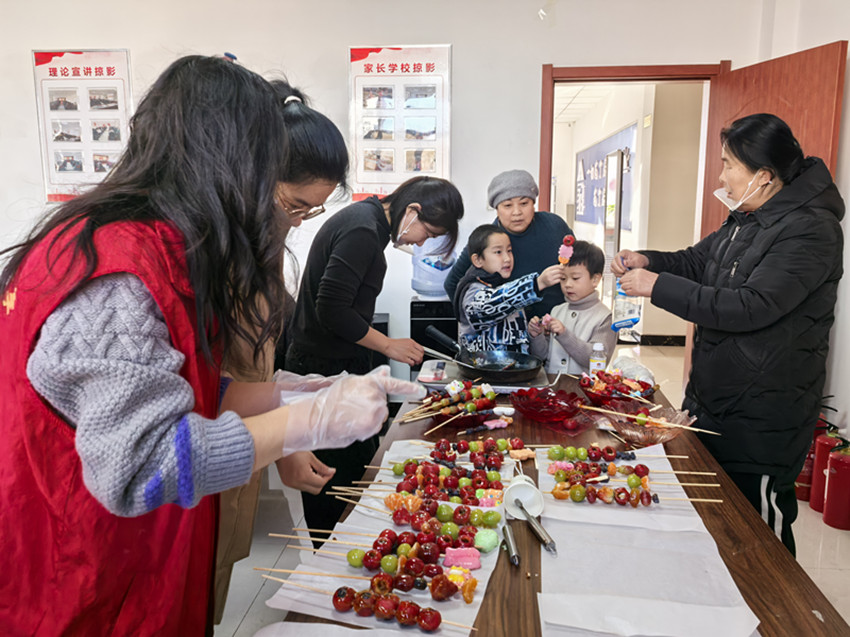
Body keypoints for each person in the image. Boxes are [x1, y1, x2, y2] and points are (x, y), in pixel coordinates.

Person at [0, 55, 422, 636]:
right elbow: (140, 464)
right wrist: (304, 423)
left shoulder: (152, 244)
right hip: (86, 565)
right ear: (225, 162)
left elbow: (168, 386)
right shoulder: (121, 268)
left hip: (131, 553)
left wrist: (276, 394)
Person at [612, 113, 844, 555]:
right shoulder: (748, 218)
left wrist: (656, 287)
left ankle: (780, 618)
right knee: (718, 521)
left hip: (764, 410)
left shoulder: (811, 230)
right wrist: (649, 260)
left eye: (728, 165)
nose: (722, 176)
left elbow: (752, 306)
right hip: (718, 396)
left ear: (764, 175)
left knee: (759, 534)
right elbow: (699, 262)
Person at [214, 78, 351, 624]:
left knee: (216, 582)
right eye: (293, 205)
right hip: (201, 452)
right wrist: (289, 425)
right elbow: (209, 386)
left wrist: (288, 435)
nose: (296, 222)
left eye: (308, 213)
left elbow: (259, 364)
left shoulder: (263, 245)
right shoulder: (208, 246)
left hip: (239, 449)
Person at [285, 175, 464, 535]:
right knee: (336, 490)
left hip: (338, 368)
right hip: (322, 372)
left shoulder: (369, 222)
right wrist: (388, 345)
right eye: (427, 233)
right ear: (412, 211)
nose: (422, 241)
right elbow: (331, 309)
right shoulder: (363, 230)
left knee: (355, 481)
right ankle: (334, 573)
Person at [444, 169, 572, 317]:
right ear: (497, 209)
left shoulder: (554, 225)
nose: (517, 212)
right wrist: (474, 321)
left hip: (558, 326)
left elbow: (578, 264)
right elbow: (452, 283)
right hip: (510, 335)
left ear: (533, 204)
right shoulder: (487, 239)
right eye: (507, 205)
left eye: (524, 203)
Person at [453, 224, 562, 353]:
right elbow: (492, 305)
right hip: (481, 370)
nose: (507, 258)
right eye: (498, 252)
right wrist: (537, 283)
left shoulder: (505, 287)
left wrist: (533, 333)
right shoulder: (472, 291)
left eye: (509, 251)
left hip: (513, 370)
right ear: (477, 260)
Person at [529, 240, 616, 374]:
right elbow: (543, 356)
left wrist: (564, 334)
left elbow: (595, 359)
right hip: (553, 387)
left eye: (575, 278)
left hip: (585, 389)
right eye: (563, 278)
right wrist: (536, 336)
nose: (568, 284)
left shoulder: (604, 318)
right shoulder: (557, 311)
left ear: (595, 279)